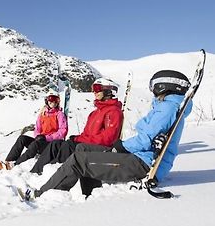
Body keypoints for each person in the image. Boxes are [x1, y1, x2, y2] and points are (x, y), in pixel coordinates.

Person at [20, 70, 192, 201]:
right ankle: (91, 196)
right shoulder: (166, 108)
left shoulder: (166, 109)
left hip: (142, 163)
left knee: (79, 160)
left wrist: (122, 146)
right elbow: (150, 138)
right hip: (140, 158)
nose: (152, 89)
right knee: (83, 156)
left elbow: (145, 139)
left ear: (164, 86)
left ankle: (41, 196)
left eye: (153, 85)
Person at [30, 78, 123, 175]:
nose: (94, 92)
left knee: (68, 145)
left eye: (97, 88)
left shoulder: (114, 112)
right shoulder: (94, 113)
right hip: (87, 143)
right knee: (56, 144)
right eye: (93, 88)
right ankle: (36, 171)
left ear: (109, 90)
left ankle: (56, 171)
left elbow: (108, 138)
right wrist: (77, 138)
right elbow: (86, 134)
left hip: (99, 147)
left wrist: (81, 140)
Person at [0, 90, 68, 170]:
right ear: (46, 100)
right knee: (22, 138)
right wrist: (37, 136)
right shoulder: (42, 114)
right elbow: (37, 129)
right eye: (51, 99)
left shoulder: (59, 114)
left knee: (35, 145)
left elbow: (63, 131)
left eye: (56, 100)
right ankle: (9, 161)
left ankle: (14, 164)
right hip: (40, 141)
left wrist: (47, 138)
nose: (53, 102)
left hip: (50, 145)